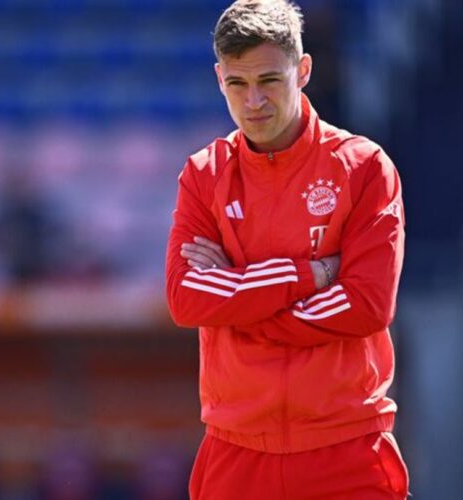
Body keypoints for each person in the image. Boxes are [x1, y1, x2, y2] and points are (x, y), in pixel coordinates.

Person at [165, 1, 408, 498]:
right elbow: (187, 299)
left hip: (347, 449)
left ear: (303, 70)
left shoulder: (363, 168)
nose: (254, 101)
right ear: (219, 79)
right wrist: (312, 275)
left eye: (270, 81)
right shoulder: (204, 174)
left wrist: (237, 303)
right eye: (237, 84)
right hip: (235, 452)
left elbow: (367, 305)